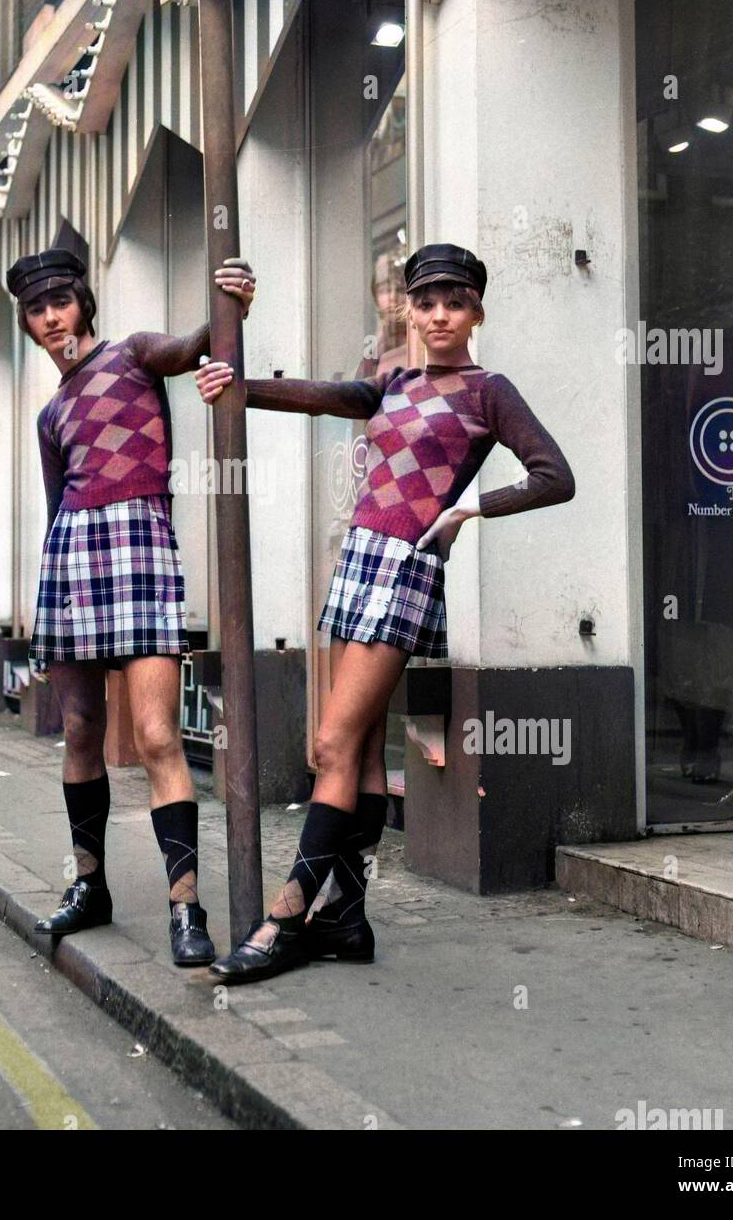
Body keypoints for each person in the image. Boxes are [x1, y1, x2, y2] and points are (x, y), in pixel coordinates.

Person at [194, 242, 576, 982]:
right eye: (426, 302)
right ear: (407, 308)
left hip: (404, 567)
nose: (439, 316)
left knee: (330, 748)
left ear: (476, 313)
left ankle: (284, 919)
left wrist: (467, 508)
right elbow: (312, 394)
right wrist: (232, 380)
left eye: (455, 303)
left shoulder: (487, 390)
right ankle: (346, 919)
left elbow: (553, 476)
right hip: (359, 561)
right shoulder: (390, 384)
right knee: (357, 751)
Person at [5, 246, 255, 967]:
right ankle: (91, 888)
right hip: (73, 559)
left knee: (154, 736)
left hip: (141, 547)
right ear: (26, 323)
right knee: (81, 726)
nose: (51, 317)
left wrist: (228, 302)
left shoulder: (135, 354)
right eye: (36, 309)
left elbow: (188, 347)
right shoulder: (50, 414)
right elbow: (56, 509)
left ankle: (185, 909)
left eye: (60, 301)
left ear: (83, 302)